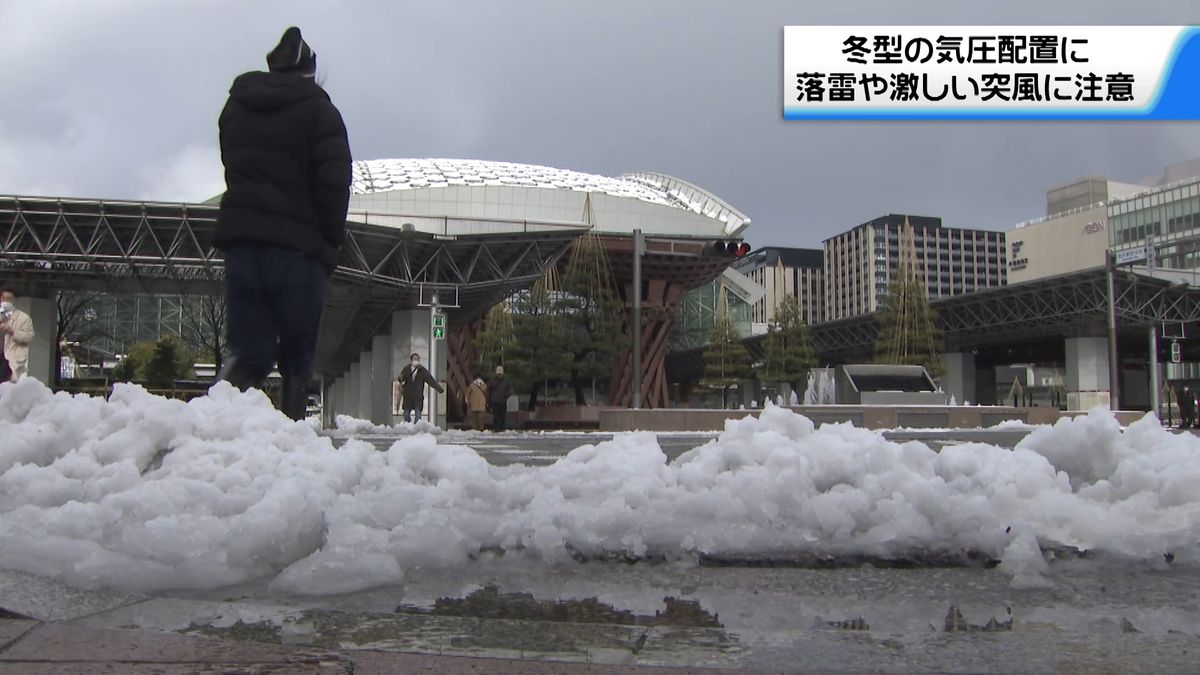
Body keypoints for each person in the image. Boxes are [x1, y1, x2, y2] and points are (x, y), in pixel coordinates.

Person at [213, 26, 351, 421]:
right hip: (298, 248)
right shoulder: (321, 112)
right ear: (310, 72)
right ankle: (291, 435)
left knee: (250, 349)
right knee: (297, 350)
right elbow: (334, 184)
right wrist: (330, 243)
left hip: (242, 242)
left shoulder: (236, 107)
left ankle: (217, 425)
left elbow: (231, 164)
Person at [398, 352, 443, 423]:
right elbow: (400, 378)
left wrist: (439, 389)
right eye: (414, 359)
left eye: (417, 359)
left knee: (418, 415)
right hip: (408, 395)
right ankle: (408, 426)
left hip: (418, 396)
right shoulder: (406, 369)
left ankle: (416, 429)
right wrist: (401, 379)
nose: (416, 360)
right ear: (411, 360)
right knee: (406, 414)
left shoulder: (422, 370)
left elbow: (430, 380)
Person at [0, 289, 34, 383]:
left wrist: (12, 332)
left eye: (9, 299)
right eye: (4, 298)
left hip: (10, 357)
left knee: (5, 383)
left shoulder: (24, 318)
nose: (6, 301)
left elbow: (29, 337)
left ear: (14, 300)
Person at [488, 365, 512, 432]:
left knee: (497, 415)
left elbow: (488, 389)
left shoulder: (492, 380)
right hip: (501, 401)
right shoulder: (506, 380)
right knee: (501, 415)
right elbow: (510, 390)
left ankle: (496, 428)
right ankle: (501, 428)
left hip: (495, 400)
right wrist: (506, 396)